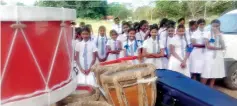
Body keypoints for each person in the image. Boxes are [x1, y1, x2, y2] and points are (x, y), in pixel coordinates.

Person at [201, 19, 226, 88]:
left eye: (217, 26)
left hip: (218, 55)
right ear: (211, 26)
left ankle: (211, 88)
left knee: (215, 72)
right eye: (214, 26)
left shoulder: (221, 34)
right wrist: (218, 48)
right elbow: (207, 46)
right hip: (209, 55)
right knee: (206, 71)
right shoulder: (207, 33)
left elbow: (223, 46)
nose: (215, 28)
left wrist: (219, 35)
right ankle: (201, 88)